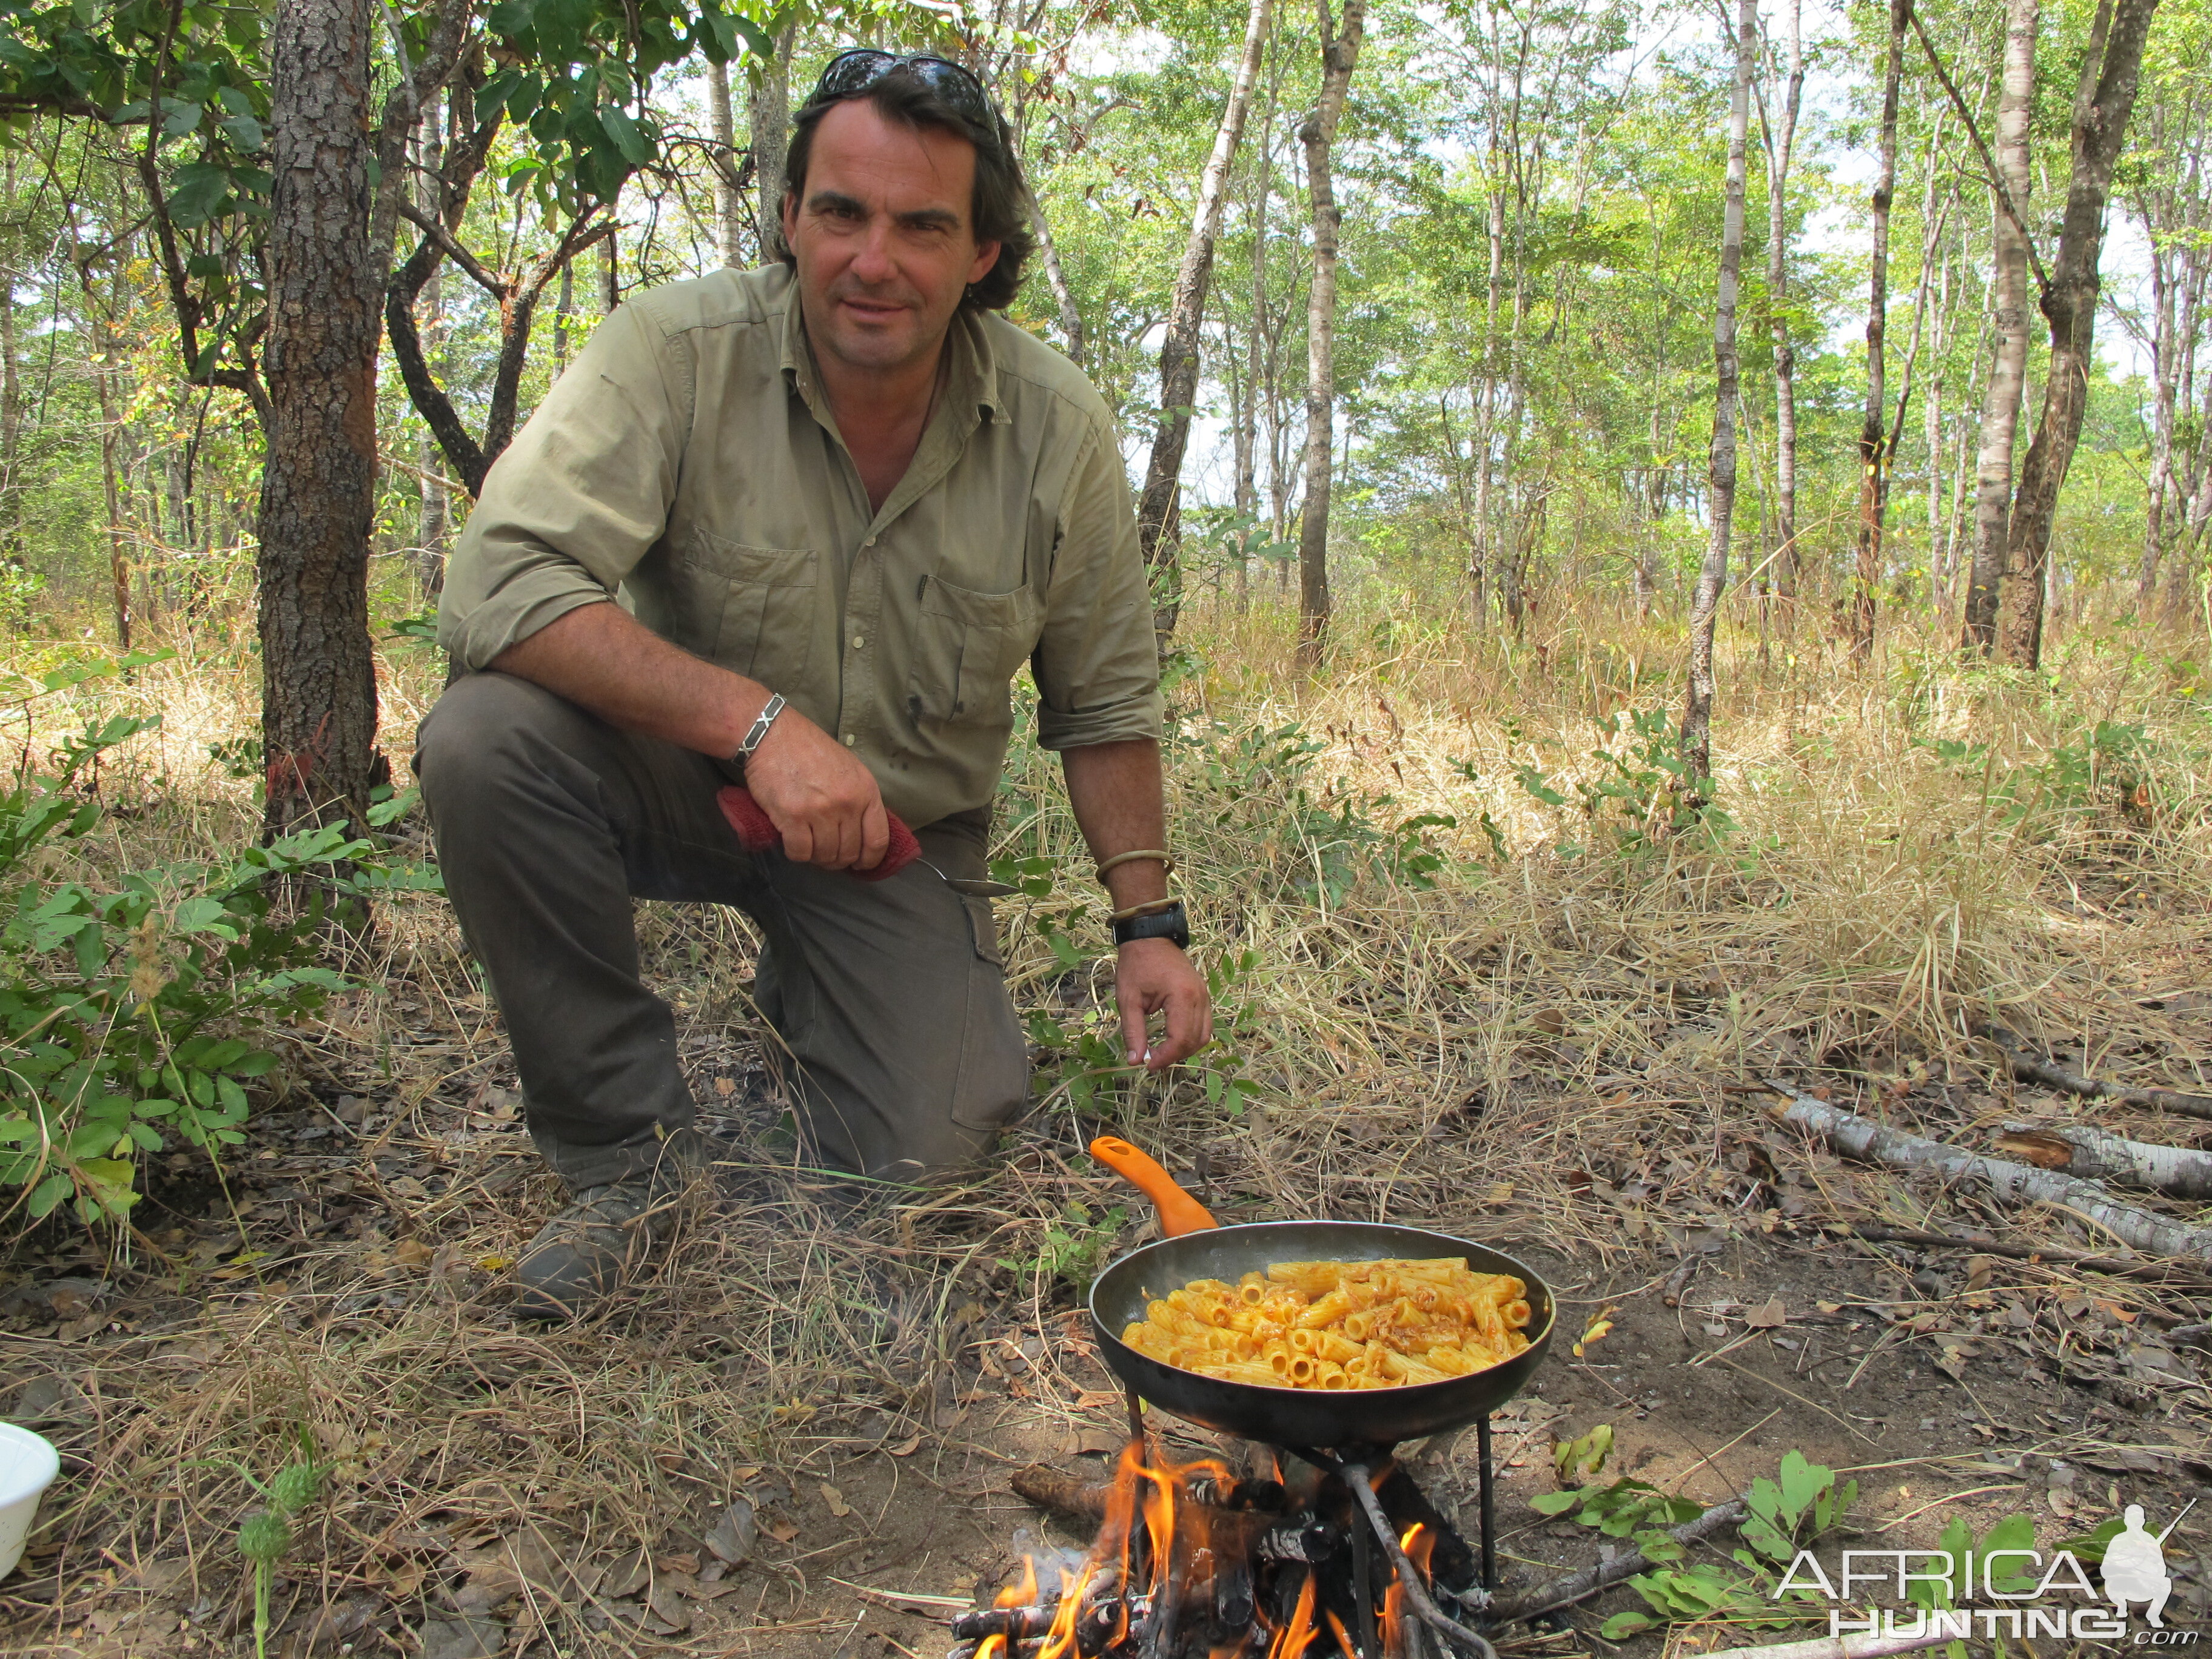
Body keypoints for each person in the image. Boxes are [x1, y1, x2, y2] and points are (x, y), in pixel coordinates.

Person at [417, 51, 1212, 1319]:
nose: (871, 260)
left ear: (984, 256)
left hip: (898, 841)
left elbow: (1104, 702)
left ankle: (812, 1002)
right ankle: (630, 1162)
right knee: (482, 740)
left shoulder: (1058, 429)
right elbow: (498, 587)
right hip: (690, 781)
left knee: (933, 1150)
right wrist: (756, 725)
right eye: (839, 213)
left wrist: (1147, 925)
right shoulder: (674, 353)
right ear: (789, 219)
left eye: (921, 226)